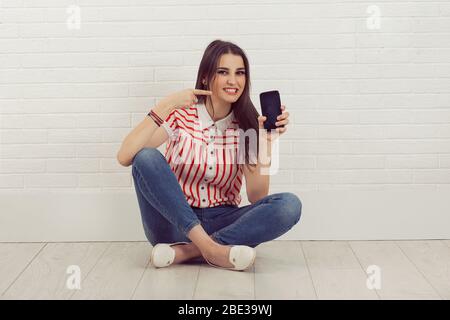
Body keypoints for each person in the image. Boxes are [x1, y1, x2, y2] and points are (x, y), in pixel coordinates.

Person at [117, 39, 302, 271]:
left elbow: (257, 196)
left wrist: (265, 141)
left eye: (240, 73)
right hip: (175, 223)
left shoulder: (248, 127)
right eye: (223, 72)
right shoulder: (181, 116)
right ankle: (214, 250)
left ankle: (188, 252)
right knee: (145, 157)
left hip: (223, 221)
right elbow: (126, 156)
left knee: (289, 205)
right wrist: (167, 104)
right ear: (205, 77)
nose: (233, 81)